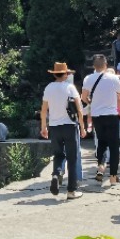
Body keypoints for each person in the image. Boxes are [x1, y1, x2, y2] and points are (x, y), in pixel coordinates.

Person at [40, 62, 87, 200]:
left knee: (58, 154)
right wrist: (82, 127)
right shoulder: (70, 87)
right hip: (69, 126)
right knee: (72, 158)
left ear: (54, 74)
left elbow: (44, 110)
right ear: (66, 74)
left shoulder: (48, 88)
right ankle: (71, 191)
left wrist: (44, 127)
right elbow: (79, 109)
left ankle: (56, 173)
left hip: (54, 127)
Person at [82, 55, 120, 185]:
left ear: (93, 65)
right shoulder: (114, 78)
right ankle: (113, 177)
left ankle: (101, 166)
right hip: (112, 115)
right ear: (106, 64)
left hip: (97, 116)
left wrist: (92, 101)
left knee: (101, 143)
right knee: (114, 146)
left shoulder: (88, 78)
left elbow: (84, 97)